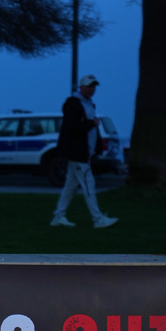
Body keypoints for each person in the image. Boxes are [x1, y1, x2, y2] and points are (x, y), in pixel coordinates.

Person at [51, 74, 118, 229]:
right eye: (89, 86)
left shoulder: (89, 105)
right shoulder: (73, 104)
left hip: (83, 152)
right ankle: (98, 219)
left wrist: (96, 146)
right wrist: (90, 123)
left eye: (94, 86)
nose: (92, 89)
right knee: (88, 183)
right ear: (81, 87)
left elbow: (87, 128)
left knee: (71, 185)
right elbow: (72, 127)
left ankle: (58, 216)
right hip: (77, 152)